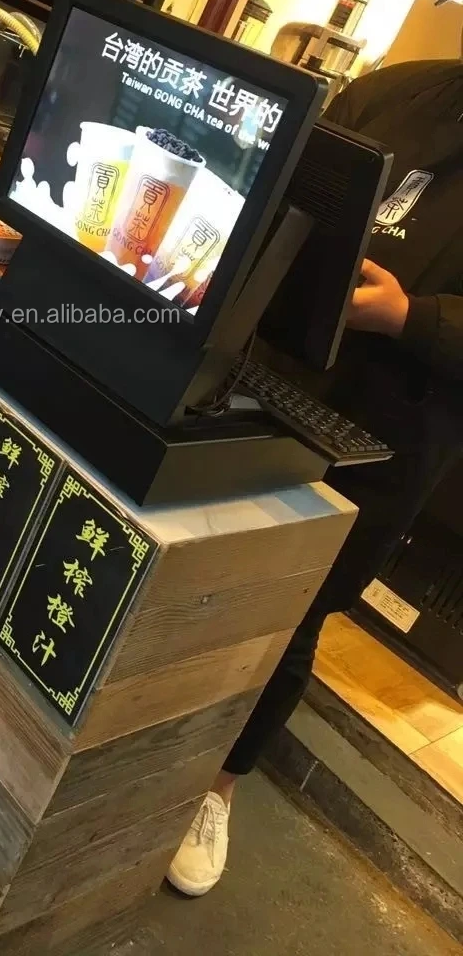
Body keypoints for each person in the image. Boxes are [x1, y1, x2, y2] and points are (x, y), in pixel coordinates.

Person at [167, 54, 463, 897]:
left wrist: (409, 317)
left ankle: (217, 788)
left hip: (389, 429)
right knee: (192, 560)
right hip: (271, 371)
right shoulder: (400, 89)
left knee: (295, 611)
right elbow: (298, 173)